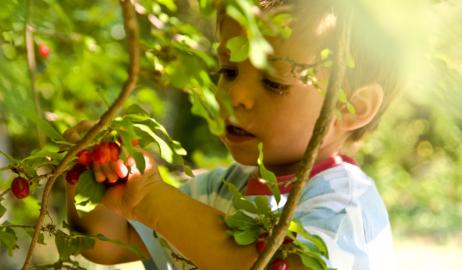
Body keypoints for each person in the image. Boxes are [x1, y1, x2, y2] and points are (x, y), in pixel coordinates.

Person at [66, 0, 401, 269]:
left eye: (274, 83)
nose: (234, 94)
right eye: (228, 71)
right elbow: (109, 244)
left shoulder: (345, 207)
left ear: (352, 108)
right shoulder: (218, 188)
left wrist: (151, 200)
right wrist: (94, 178)